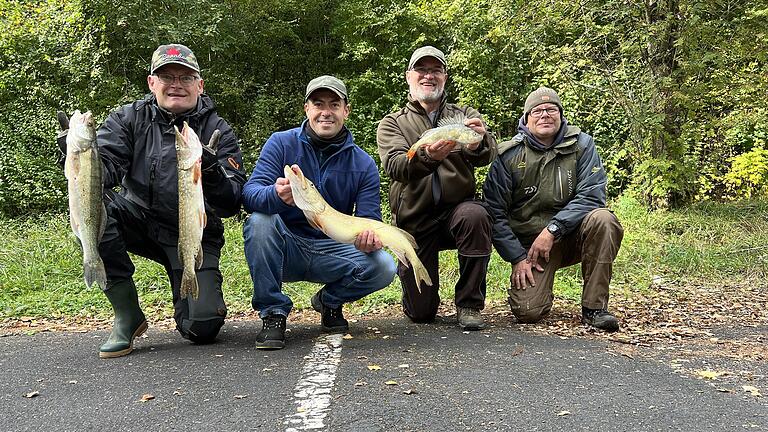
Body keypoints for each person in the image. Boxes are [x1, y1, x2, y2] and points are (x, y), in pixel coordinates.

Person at [56, 44, 246, 357]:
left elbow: (230, 203)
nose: (176, 85)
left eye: (186, 78)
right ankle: (128, 315)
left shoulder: (218, 130)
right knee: (94, 205)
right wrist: (78, 155)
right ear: (151, 83)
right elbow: (105, 175)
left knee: (202, 328)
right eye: (167, 76)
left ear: (199, 85)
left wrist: (209, 169)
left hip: (194, 235)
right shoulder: (128, 119)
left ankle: (185, 287)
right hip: (139, 221)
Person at [242, 75, 396, 350]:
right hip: (286, 249)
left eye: (334, 104)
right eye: (318, 104)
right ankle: (273, 313)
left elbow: (370, 218)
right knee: (260, 221)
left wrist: (369, 237)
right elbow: (250, 195)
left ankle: (330, 302)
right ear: (307, 109)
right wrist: (275, 196)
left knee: (384, 265)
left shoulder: (363, 162)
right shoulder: (280, 143)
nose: (326, 112)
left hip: (333, 250)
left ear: (345, 111)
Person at [482, 86, 624, 331]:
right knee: (528, 312)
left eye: (551, 109)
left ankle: (594, 308)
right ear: (526, 119)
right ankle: (538, 292)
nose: (545, 115)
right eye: (537, 111)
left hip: (573, 236)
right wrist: (516, 257)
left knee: (604, 219)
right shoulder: (508, 155)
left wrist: (553, 230)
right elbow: (494, 212)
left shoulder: (582, 145)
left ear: (561, 115)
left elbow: (592, 195)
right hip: (532, 249)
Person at [376, 46, 497, 330]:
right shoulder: (392, 123)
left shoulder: (464, 115)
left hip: (458, 212)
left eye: (436, 70)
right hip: (415, 219)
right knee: (421, 314)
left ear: (444, 77)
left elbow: (487, 154)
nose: (428, 76)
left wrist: (479, 142)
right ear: (409, 77)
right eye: (422, 70)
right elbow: (396, 167)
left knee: (476, 215)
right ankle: (420, 300)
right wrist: (430, 156)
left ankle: (469, 304)